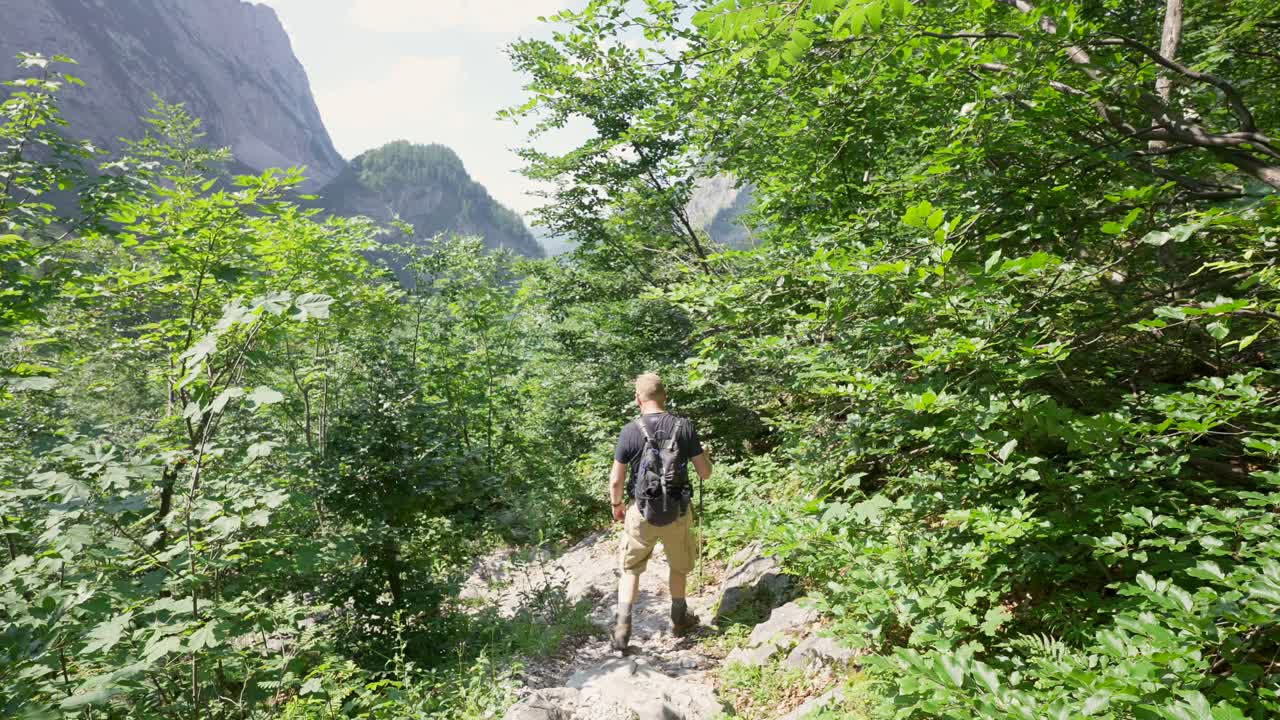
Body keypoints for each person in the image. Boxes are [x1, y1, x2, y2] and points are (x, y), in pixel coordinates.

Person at [608, 373, 712, 652]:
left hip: (641, 511)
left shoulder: (630, 430)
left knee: (631, 568)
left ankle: (622, 627)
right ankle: (679, 618)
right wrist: (706, 453)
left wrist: (617, 506)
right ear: (665, 396)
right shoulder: (684, 427)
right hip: (677, 510)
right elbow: (705, 473)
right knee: (678, 566)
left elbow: (616, 480)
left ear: (637, 399)